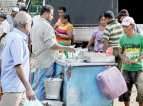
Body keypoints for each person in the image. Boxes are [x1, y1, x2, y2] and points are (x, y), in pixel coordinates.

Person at [30, 5, 75, 100]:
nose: (53, 17)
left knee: (36, 85)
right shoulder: (47, 27)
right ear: (46, 14)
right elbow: (53, 46)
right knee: (42, 88)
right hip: (46, 61)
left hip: (37, 59)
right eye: (51, 14)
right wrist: (68, 48)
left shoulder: (35, 25)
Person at [0, 11, 36, 106]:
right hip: (14, 88)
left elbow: (2, 60)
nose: (31, 26)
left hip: (18, 87)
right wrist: (28, 88)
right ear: (25, 26)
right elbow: (18, 66)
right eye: (30, 23)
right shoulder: (17, 40)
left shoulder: (13, 36)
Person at [118, 16, 143, 106]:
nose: (124, 29)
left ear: (132, 26)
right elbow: (120, 53)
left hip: (139, 68)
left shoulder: (140, 37)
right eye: (123, 26)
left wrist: (137, 59)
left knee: (141, 92)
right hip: (126, 69)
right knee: (124, 91)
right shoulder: (122, 39)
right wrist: (125, 59)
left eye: (126, 26)